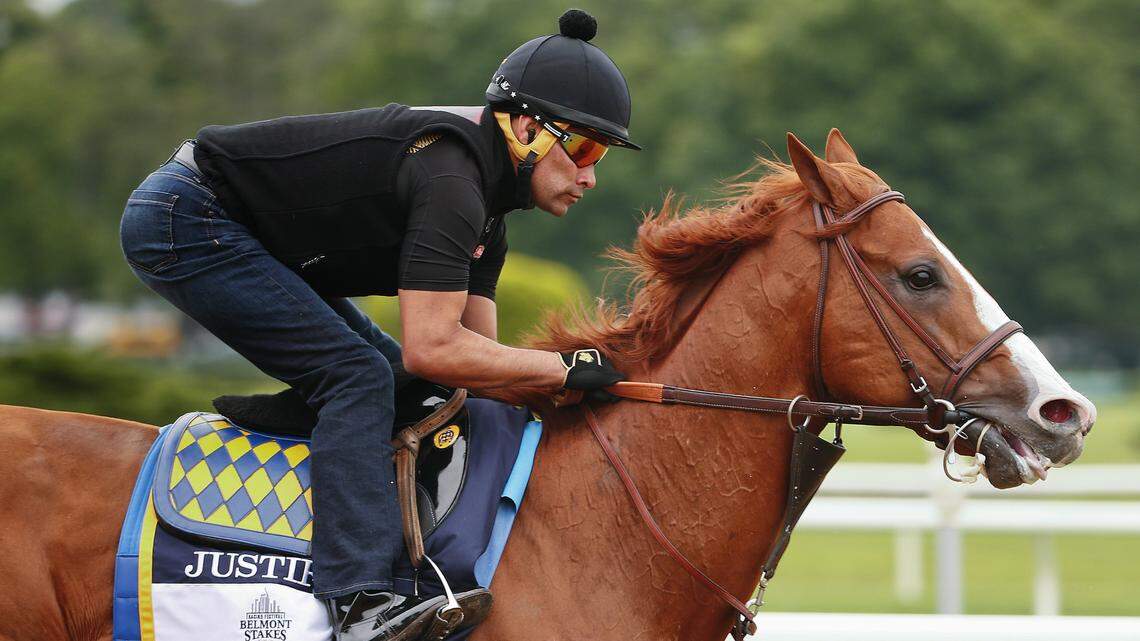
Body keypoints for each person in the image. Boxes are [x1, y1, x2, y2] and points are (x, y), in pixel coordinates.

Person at [118, 9, 638, 641]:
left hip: (246, 232)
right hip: (185, 216)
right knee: (362, 376)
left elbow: (475, 366)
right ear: (527, 127)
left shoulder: (487, 214)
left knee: (405, 385)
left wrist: (596, 388)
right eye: (583, 146)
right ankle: (359, 603)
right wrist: (561, 367)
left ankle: (301, 422)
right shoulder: (452, 181)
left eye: (601, 154)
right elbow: (433, 346)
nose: (590, 174)